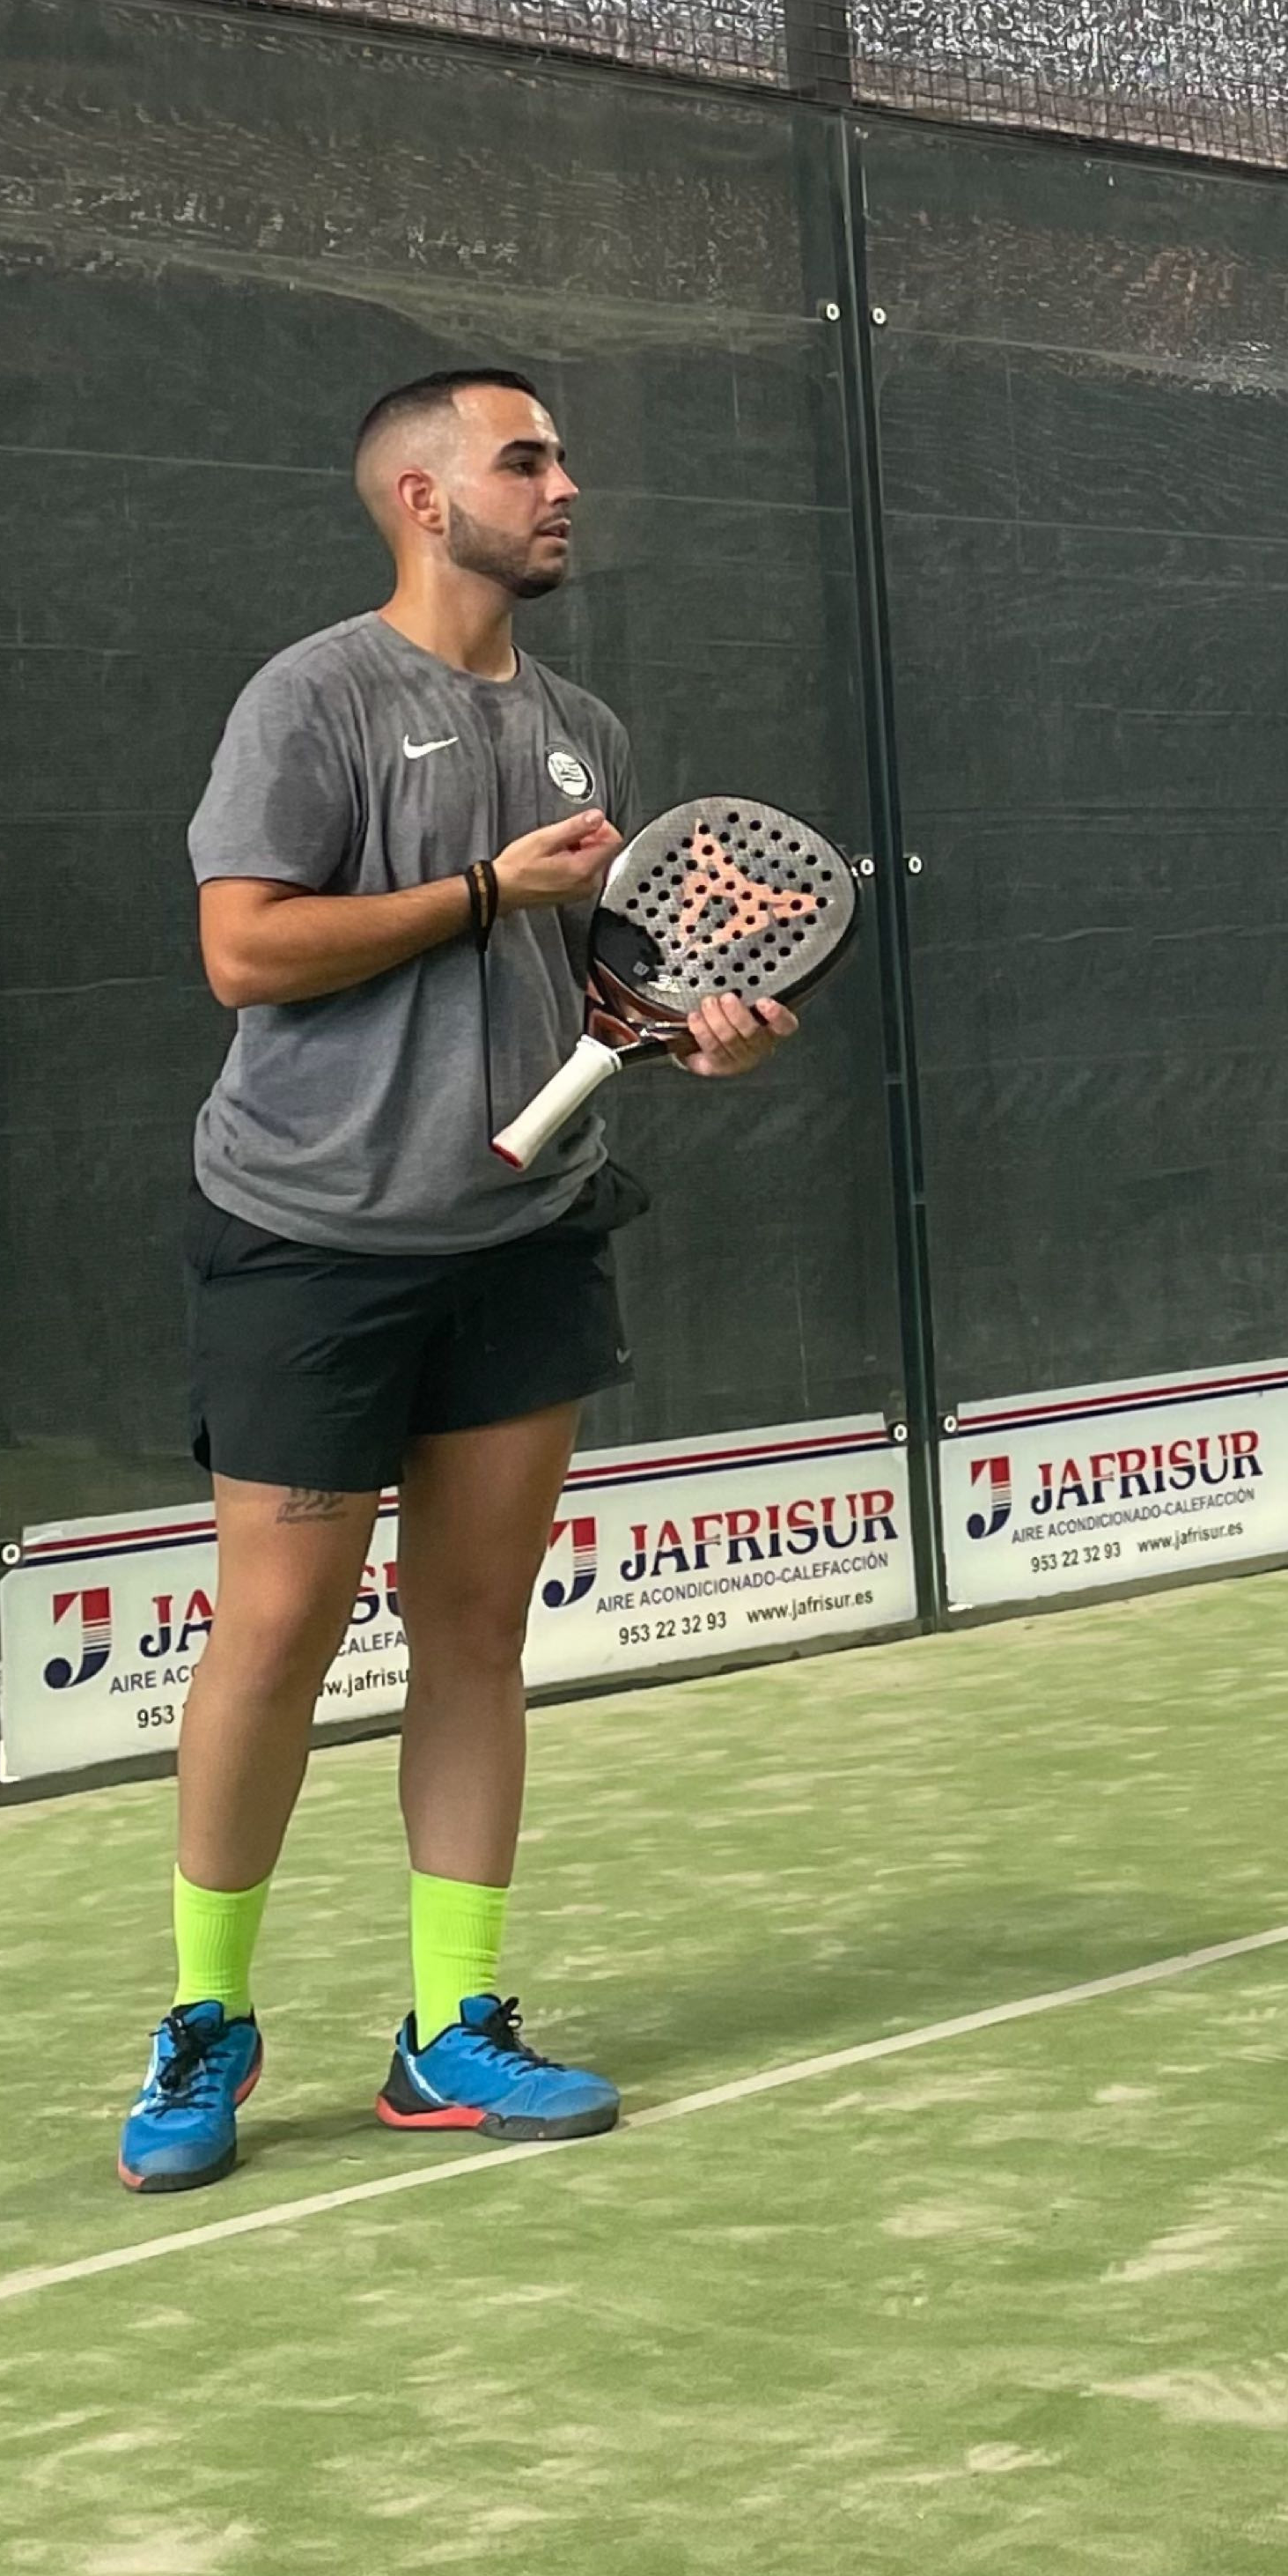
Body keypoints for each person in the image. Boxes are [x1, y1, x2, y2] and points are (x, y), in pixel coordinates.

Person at [118, 369, 795, 2192]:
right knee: (275, 1633)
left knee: (477, 1628)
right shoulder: (315, 697)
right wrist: (488, 890)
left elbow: (598, 991)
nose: (564, 485)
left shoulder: (584, 727)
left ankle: (450, 2029)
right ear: (425, 499)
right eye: (526, 459)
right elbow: (245, 952)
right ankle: (205, 2020)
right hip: (307, 1238)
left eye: (560, 457)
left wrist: (693, 1036)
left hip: (521, 1239)